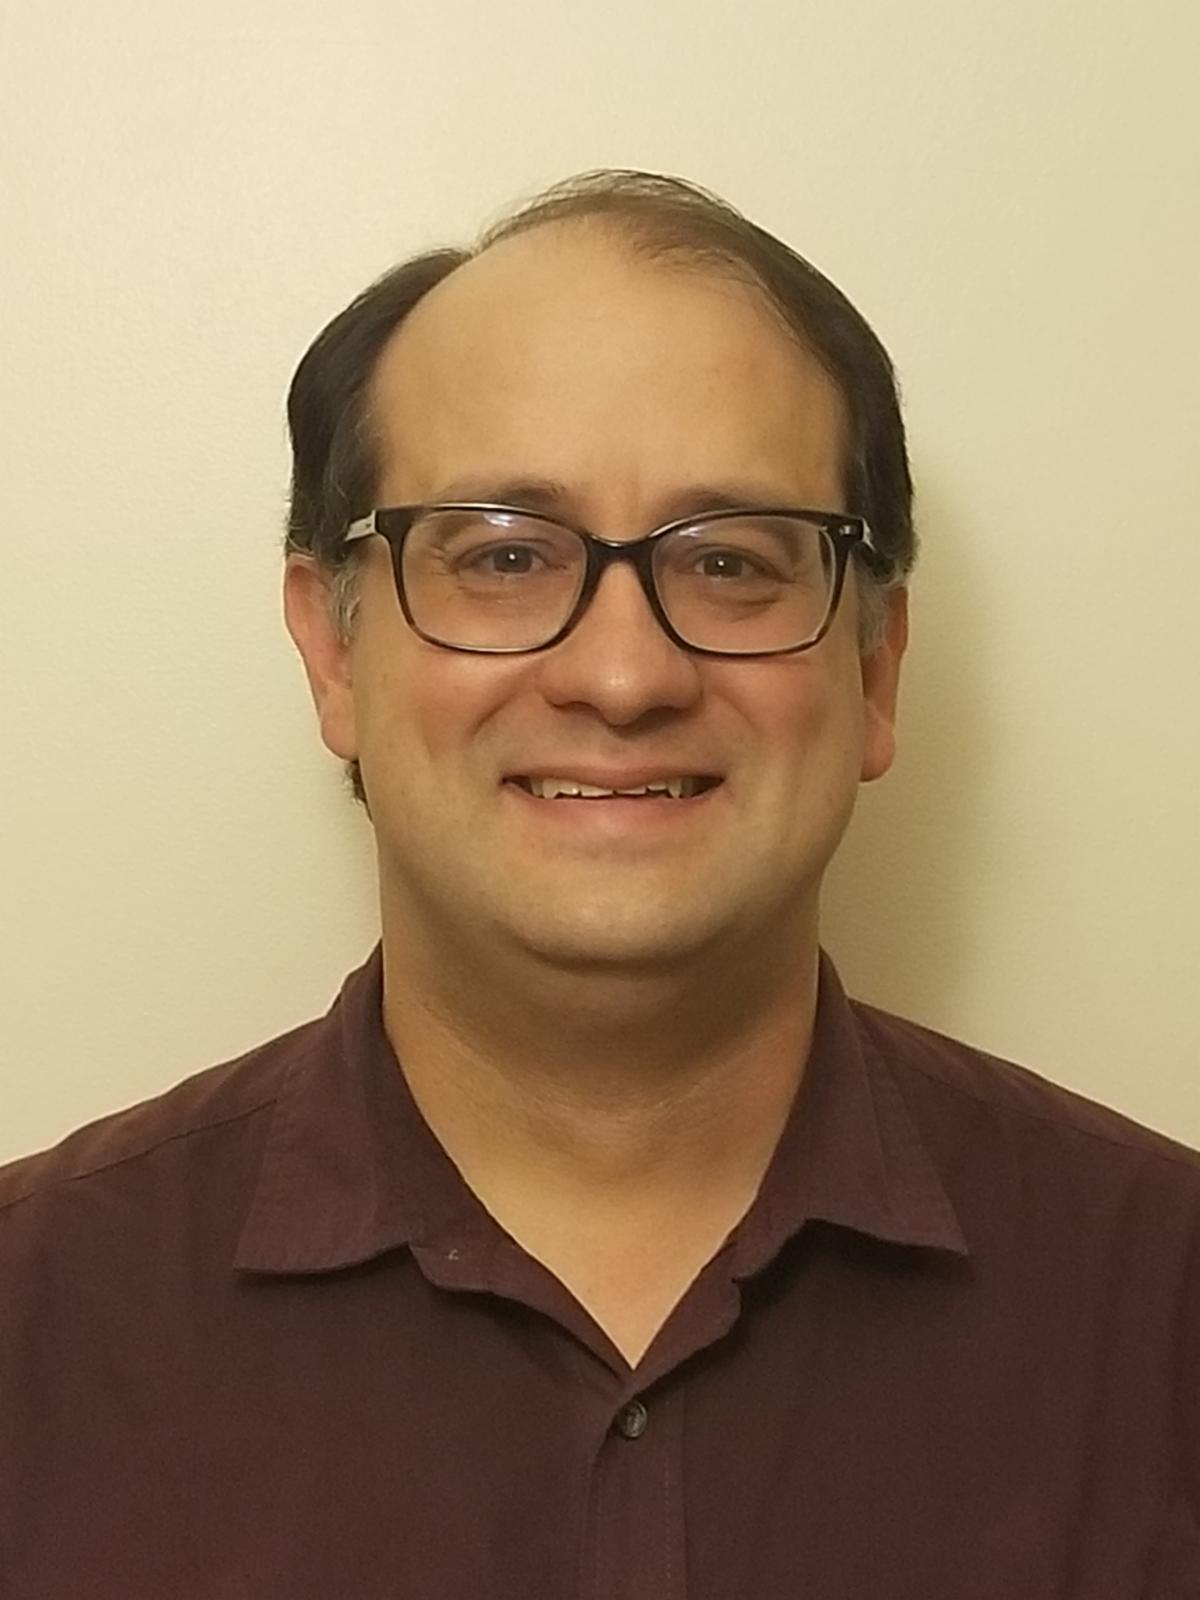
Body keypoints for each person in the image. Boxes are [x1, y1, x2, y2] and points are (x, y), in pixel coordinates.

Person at [1, 170, 1197, 1599]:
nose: (624, 675)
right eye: (504, 555)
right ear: (334, 653)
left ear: (875, 668)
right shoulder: (32, 1329)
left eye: (734, 561)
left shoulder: (1165, 1309)